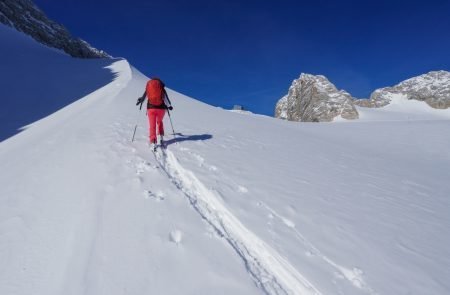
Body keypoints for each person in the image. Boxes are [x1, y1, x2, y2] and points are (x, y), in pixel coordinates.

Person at [136, 77, 173, 149]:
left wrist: (140, 102)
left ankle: (153, 141)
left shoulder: (149, 87)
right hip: (161, 109)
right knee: (159, 122)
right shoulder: (161, 88)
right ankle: (161, 136)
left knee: (152, 125)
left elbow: (144, 97)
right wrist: (169, 106)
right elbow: (166, 100)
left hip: (151, 108)